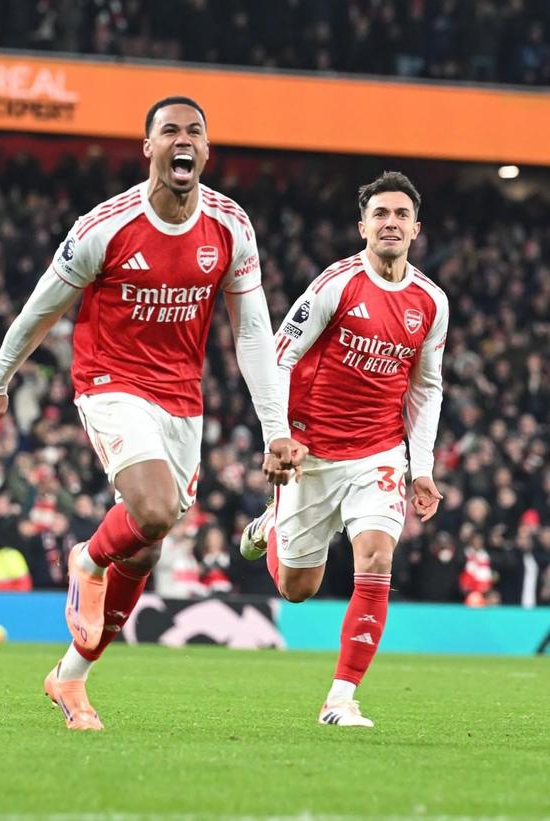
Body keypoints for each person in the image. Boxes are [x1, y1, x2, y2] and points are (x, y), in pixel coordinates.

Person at [0, 96, 306, 731]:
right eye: (169, 131)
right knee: (152, 511)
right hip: (110, 383)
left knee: (146, 551)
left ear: (206, 151)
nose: (183, 140)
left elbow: (253, 334)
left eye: (194, 132)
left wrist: (276, 430)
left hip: (182, 400)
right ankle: (86, 559)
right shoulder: (105, 226)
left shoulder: (231, 226)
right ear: (148, 147)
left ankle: (71, 677)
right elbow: (42, 307)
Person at [241, 171, 449, 727]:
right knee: (297, 589)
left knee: (377, 557)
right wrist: (277, 435)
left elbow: (426, 387)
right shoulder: (336, 284)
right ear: (363, 227)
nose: (391, 223)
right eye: (380, 214)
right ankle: (272, 525)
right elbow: (280, 356)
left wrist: (421, 468)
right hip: (312, 451)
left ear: (416, 229)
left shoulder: (431, 302)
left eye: (401, 215)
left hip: (379, 452)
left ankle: (340, 698)